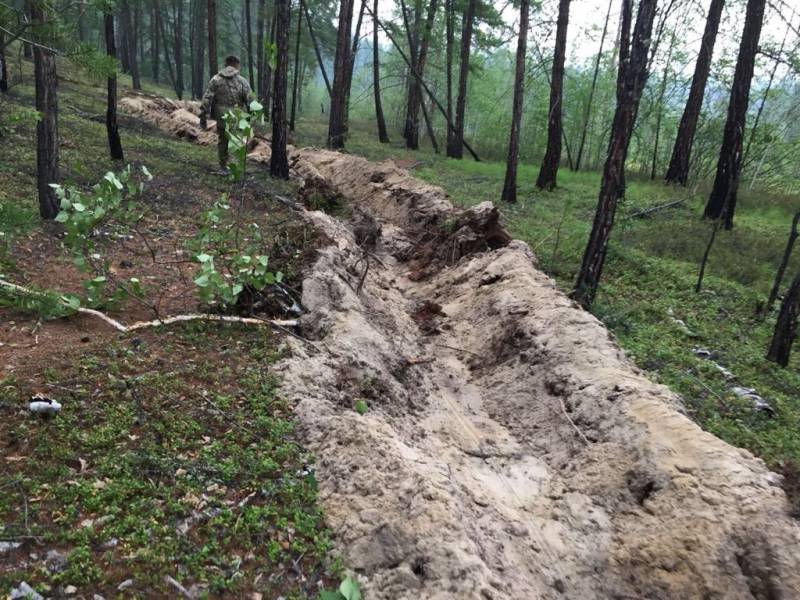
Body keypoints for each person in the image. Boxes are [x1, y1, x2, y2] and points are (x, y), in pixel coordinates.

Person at [199, 55, 253, 174]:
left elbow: (207, 98)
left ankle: (223, 167)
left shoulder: (216, 79)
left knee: (223, 140)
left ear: (226, 64)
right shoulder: (242, 81)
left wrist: (203, 115)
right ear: (236, 65)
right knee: (236, 141)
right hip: (236, 115)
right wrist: (251, 116)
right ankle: (235, 168)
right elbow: (250, 101)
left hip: (221, 115)